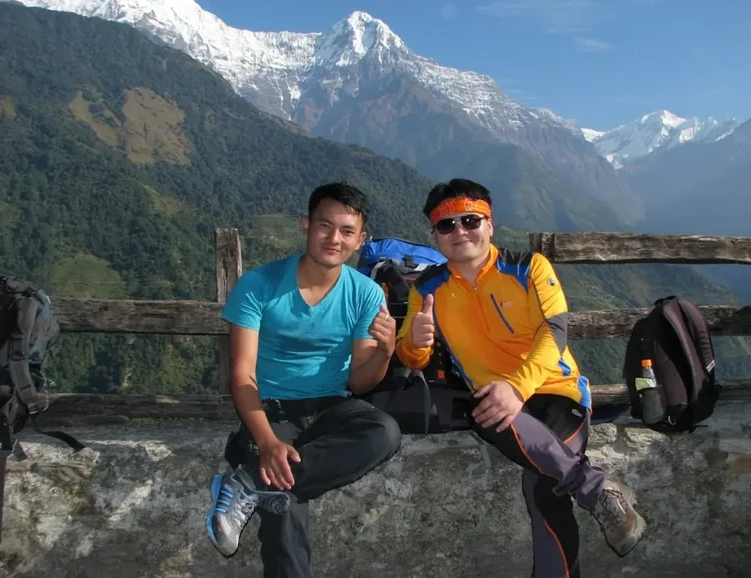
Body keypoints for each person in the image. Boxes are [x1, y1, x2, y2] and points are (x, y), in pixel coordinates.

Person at [395, 178, 646, 577]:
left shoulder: (528, 267)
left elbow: (554, 331)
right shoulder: (427, 289)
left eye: (470, 220)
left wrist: (518, 386)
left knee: (542, 485)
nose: (459, 231)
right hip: (494, 402)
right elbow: (411, 355)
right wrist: (416, 341)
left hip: (556, 392)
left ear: (490, 225)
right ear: (435, 234)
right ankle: (597, 489)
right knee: (488, 407)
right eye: (446, 225)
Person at [205, 182, 403, 577]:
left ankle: (251, 484)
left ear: (360, 240)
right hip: (272, 409)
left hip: (332, 406)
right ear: (306, 226)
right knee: (285, 511)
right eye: (324, 226)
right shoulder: (259, 286)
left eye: (347, 231)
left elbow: (361, 383)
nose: (334, 238)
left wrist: (384, 351)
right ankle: (270, 479)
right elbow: (242, 373)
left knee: (384, 431)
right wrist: (266, 441)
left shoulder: (365, 294)